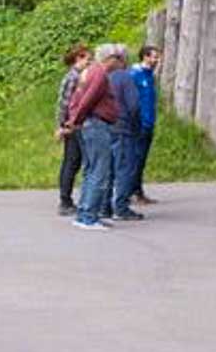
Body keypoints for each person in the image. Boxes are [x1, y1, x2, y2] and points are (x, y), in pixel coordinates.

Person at [64, 43, 123, 230]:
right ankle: (89, 216)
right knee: (99, 170)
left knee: (91, 169)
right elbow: (87, 98)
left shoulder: (89, 72)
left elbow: (76, 98)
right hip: (96, 125)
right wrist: (75, 119)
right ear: (110, 59)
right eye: (118, 58)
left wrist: (75, 118)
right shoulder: (99, 73)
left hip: (88, 124)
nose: (121, 62)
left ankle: (84, 213)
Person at [108, 47, 146, 221]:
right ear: (123, 60)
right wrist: (138, 126)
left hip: (106, 126)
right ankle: (121, 207)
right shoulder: (125, 78)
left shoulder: (104, 77)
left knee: (108, 168)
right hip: (123, 127)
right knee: (125, 168)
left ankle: (104, 205)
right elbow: (134, 105)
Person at [55, 43, 92, 216]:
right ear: (78, 58)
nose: (89, 62)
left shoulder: (76, 76)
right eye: (87, 58)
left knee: (73, 162)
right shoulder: (73, 77)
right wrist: (63, 126)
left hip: (75, 124)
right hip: (73, 125)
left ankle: (67, 199)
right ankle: (65, 200)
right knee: (71, 162)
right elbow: (65, 104)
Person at [130, 45, 161, 205]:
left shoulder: (150, 76)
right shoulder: (135, 75)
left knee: (141, 159)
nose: (157, 60)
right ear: (145, 57)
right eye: (154, 57)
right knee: (136, 158)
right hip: (139, 123)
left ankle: (137, 190)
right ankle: (132, 192)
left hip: (149, 122)